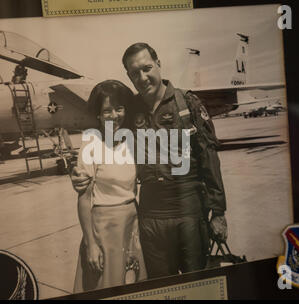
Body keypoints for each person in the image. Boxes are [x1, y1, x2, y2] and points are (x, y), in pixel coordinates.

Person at [72, 43, 228, 279]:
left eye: (147, 68)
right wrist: (80, 172)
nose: (142, 77)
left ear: (159, 64)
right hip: (150, 216)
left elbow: (209, 158)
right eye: (135, 73)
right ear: (129, 76)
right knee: (159, 286)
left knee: (195, 284)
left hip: (188, 210)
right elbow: (106, 139)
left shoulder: (187, 104)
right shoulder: (132, 108)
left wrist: (218, 212)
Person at [73, 80, 146, 293]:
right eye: (107, 110)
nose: (114, 115)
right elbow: (84, 199)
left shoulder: (133, 142)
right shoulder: (90, 144)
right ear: (98, 114)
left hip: (133, 224)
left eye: (119, 108)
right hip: (103, 230)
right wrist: (91, 245)